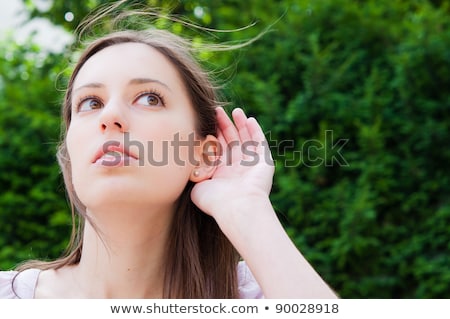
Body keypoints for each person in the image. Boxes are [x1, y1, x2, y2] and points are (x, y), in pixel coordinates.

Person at [0, 3, 337, 299]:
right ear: (70, 155)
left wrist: (246, 209)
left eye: (149, 98)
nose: (110, 116)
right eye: (91, 102)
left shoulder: (264, 293)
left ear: (203, 156)